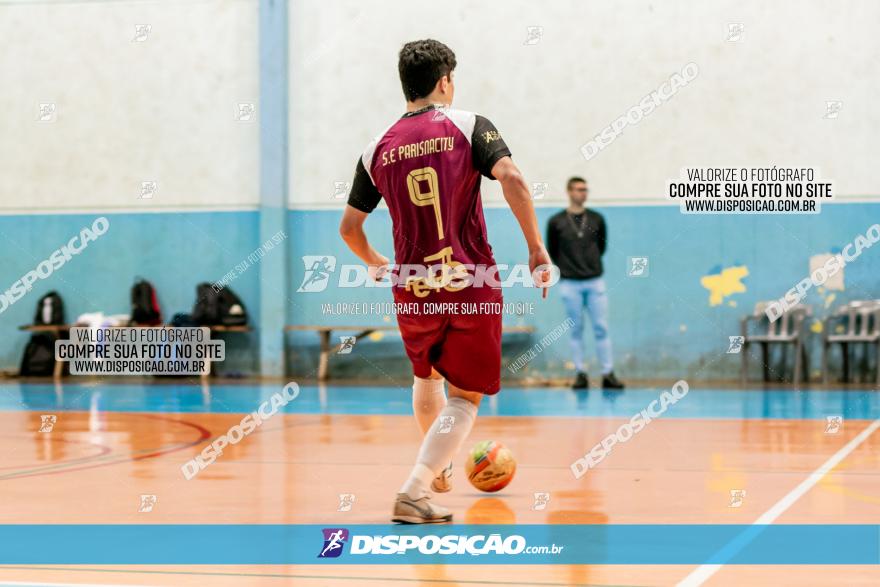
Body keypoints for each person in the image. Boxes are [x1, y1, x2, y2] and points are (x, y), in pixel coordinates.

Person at [339, 39, 550, 523]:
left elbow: (349, 230)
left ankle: (436, 473)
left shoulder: (376, 149)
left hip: (411, 285)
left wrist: (377, 263)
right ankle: (415, 488)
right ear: (445, 81)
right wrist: (536, 247)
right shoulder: (469, 124)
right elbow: (513, 178)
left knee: (425, 374)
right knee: (465, 396)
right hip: (467, 278)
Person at [546, 177, 624, 390]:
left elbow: (601, 247)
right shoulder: (556, 222)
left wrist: (589, 265)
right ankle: (580, 373)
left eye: (585, 189)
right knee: (575, 329)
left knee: (601, 327)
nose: (583, 193)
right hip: (569, 284)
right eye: (579, 189)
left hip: (595, 281)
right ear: (569, 191)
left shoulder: (597, 219)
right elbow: (552, 251)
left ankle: (608, 373)